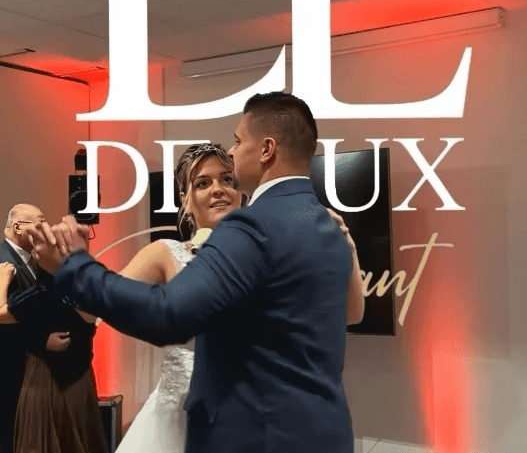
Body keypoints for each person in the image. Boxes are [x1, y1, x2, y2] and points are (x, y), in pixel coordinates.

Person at [29, 91, 364, 453]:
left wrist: (74, 266)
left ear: (267, 149)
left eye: (238, 142)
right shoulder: (326, 225)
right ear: (186, 198)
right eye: (202, 183)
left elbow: (167, 314)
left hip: (257, 436)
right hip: (324, 433)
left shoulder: (252, 227)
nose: (233, 152)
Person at [113, 143, 363, 453]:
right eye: (202, 183)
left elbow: (350, 314)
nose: (218, 189)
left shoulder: (273, 251)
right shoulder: (164, 254)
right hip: (180, 422)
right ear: (185, 198)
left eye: (227, 179)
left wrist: (347, 248)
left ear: (240, 190)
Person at [0, 253, 108, 453]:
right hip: (81, 382)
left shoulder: (39, 296)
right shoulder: (90, 292)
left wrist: (2, 281)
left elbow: (1, 314)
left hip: (43, 383)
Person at [0, 204, 76, 453]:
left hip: (37, 376)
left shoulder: (37, 263)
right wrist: (41, 341)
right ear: (17, 227)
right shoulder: (2, 262)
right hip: (9, 372)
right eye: (40, 222)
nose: (46, 228)